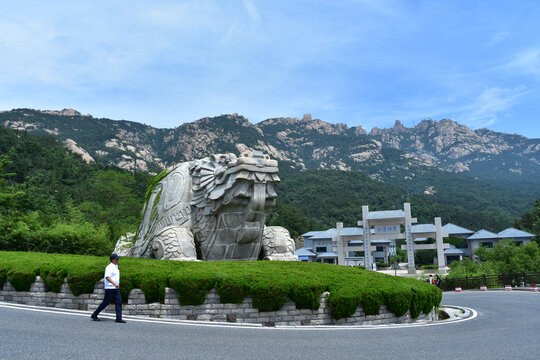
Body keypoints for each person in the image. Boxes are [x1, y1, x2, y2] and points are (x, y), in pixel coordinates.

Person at [91, 254, 126, 323]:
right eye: (117, 259)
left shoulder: (115, 267)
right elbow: (107, 277)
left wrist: (116, 285)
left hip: (116, 288)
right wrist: (114, 284)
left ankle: (118, 318)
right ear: (113, 260)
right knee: (106, 302)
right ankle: (94, 314)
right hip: (110, 288)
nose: (118, 260)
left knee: (119, 302)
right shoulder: (109, 267)